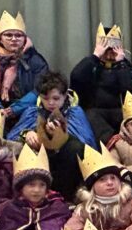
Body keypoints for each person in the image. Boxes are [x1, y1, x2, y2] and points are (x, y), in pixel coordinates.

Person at [6, 71, 97, 199]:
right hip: (39, 162)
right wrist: (26, 134)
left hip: (66, 165)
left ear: (65, 96)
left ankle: (64, 197)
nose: (50, 103)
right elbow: (11, 140)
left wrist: (58, 135)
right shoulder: (32, 112)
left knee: (75, 148)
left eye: (55, 98)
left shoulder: (74, 113)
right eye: (45, 98)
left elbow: (87, 144)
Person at [0, 10, 50, 120]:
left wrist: (14, 109)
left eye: (18, 35)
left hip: (27, 110)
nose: (14, 39)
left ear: (24, 38)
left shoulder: (35, 60)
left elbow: (40, 89)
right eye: (8, 35)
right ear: (0, 39)